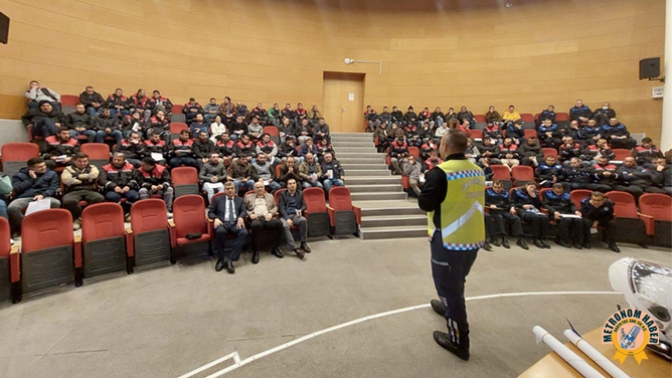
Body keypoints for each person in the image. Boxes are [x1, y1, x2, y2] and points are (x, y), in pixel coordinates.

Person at [418, 130, 485, 361]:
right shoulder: (478, 170)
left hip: (448, 240)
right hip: (473, 238)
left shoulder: (440, 173)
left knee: (450, 289)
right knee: (457, 280)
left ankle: (459, 342)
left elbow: (425, 204)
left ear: (445, 146)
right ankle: (447, 306)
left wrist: (422, 185)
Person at [8, 158, 61, 238]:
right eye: (40, 167)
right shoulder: (19, 175)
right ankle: (27, 227)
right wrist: (31, 179)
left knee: (56, 202)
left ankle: (44, 225)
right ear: (31, 168)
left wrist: (43, 195)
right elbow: (17, 189)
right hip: (24, 197)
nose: (43, 168)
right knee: (12, 208)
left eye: (44, 165)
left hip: (42, 196)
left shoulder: (51, 174)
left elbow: (53, 188)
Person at [209, 181, 248, 274]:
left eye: (232, 188)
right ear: (224, 190)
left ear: (235, 189)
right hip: (223, 222)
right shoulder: (218, 199)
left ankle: (230, 258)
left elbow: (244, 211)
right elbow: (210, 212)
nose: (230, 190)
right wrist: (215, 218)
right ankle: (220, 258)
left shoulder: (239, 200)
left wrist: (240, 217)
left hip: (235, 223)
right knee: (219, 232)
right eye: (228, 189)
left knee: (244, 233)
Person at [244, 181, 284, 264]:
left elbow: (275, 207)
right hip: (256, 219)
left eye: (261, 187)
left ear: (264, 188)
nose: (259, 189)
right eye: (257, 187)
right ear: (254, 189)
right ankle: (256, 251)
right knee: (256, 225)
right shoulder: (248, 197)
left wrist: (271, 213)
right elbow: (243, 209)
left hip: (267, 217)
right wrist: (250, 214)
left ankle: (275, 248)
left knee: (279, 224)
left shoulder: (270, 196)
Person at [61, 153, 105, 230]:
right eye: (79, 161)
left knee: (99, 198)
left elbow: (94, 176)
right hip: (73, 191)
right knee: (68, 201)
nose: (82, 163)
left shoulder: (92, 167)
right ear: (74, 161)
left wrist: (76, 176)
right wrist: (85, 179)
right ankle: (77, 218)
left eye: (85, 161)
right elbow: (66, 180)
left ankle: (87, 218)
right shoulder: (68, 169)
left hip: (89, 190)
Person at [485, 181, 527, 249]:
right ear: (493, 187)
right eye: (495, 187)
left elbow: (511, 202)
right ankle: (504, 238)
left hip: (504, 210)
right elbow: (484, 201)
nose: (497, 189)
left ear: (502, 187)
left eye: (499, 187)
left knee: (516, 219)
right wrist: (490, 205)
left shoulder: (506, 193)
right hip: (494, 211)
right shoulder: (488, 192)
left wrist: (512, 207)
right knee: (500, 218)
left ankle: (520, 238)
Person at [542, 183, 583, 249]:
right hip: (554, 213)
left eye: (560, 192)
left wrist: (575, 211)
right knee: (566, 220)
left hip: (566, 212)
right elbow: (545, 205)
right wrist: (554, 212)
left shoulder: (566, 195)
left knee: (578, 220)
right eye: (557, 192)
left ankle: (576, 241)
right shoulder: (547, 194)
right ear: (553, 189)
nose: (559, 193)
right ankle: (562, 240)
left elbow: (571, 205)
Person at [278, 178, 310, 259]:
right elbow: (281, 208)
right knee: (285, 226)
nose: (292, 185)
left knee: (303, 220)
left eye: (294, 183)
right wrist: (287, 218)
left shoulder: (300, 193)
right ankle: (295, 249)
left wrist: (300, 210)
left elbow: (304, 205)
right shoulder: (282, 194)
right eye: (290, 184)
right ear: (287, 186)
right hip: (285, 216)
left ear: (296, 184)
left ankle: (303, 243)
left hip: (295, 215)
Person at [512, 183, 550, 249]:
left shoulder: (535, 194)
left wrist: (534, 197)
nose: (532, 189)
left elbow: (539, 206)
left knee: (545, 217)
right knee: (536, 217)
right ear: (526, 186)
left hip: (534, 210)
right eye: (531, 187)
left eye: (534, 188)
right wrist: (522, 206)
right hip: (522, 210)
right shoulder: (517, 191)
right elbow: (512, 202)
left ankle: (542, 238)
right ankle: (536, 239)